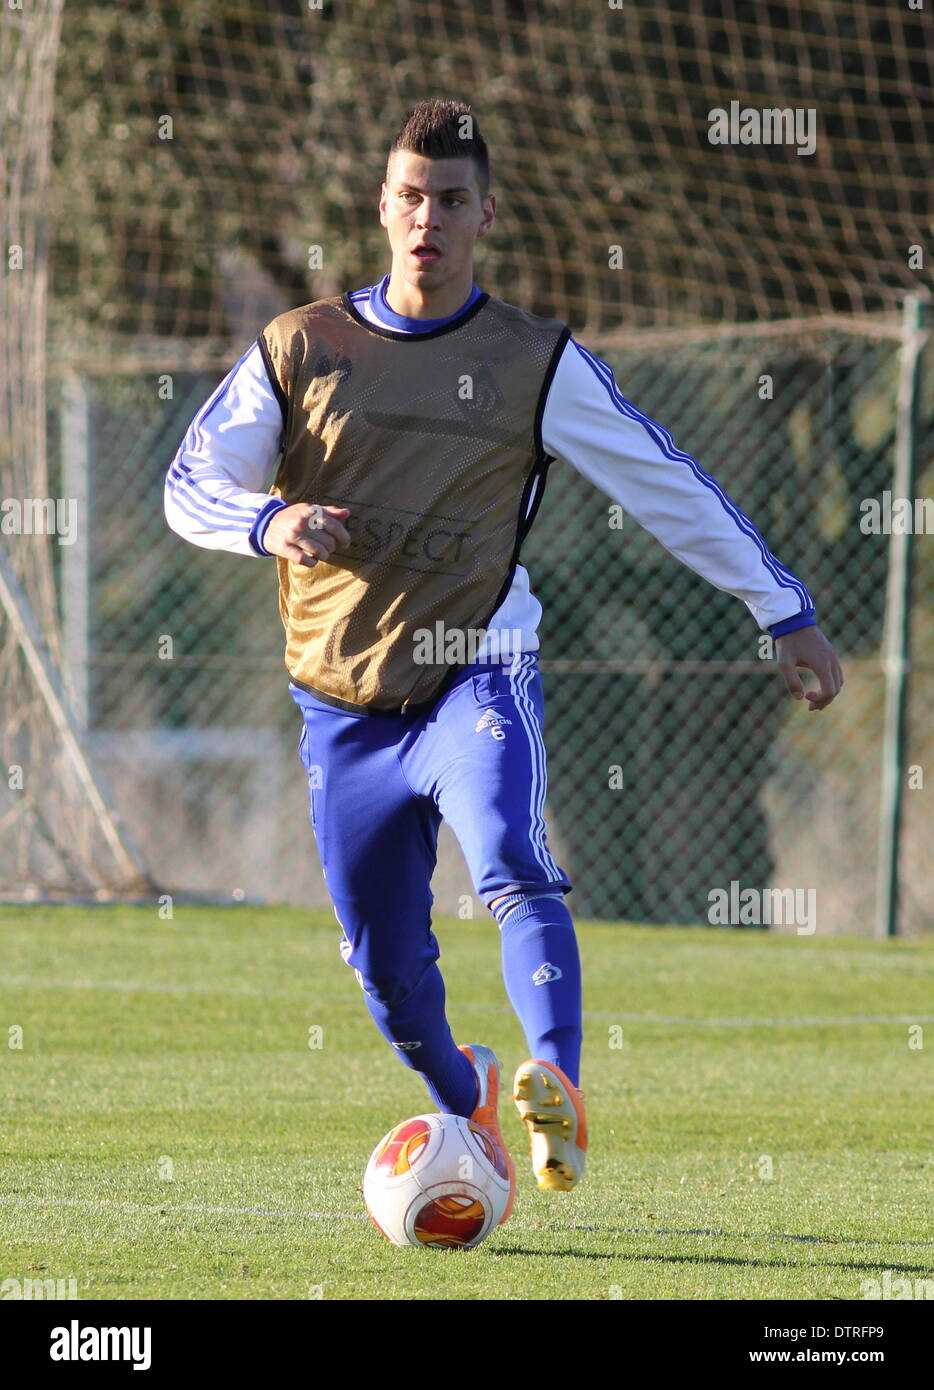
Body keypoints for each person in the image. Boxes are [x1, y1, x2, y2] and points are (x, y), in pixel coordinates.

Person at [164, 98, 843, 1211]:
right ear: (382, 209)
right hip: (340, 703)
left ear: (486, 215)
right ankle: (468, 1090)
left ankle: (558, 1084)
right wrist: (267, 522)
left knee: (508, 856)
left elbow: (662, 481)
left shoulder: (535, 360)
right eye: (410, 198)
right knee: (387, 973)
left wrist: (782, 609)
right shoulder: (300, 346)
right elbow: (191, 483)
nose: (428, 218)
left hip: (477, 664)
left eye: (451, 200)